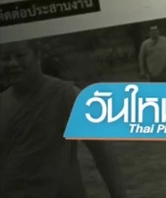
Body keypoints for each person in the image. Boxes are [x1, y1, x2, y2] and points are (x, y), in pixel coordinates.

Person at [0, 40, 127, 197]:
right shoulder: (3, 102)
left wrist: (119, 194)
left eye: (20, 55)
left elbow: (102, 151)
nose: (12, 63)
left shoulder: (67, 95)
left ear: (37, 55)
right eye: (5, 58)